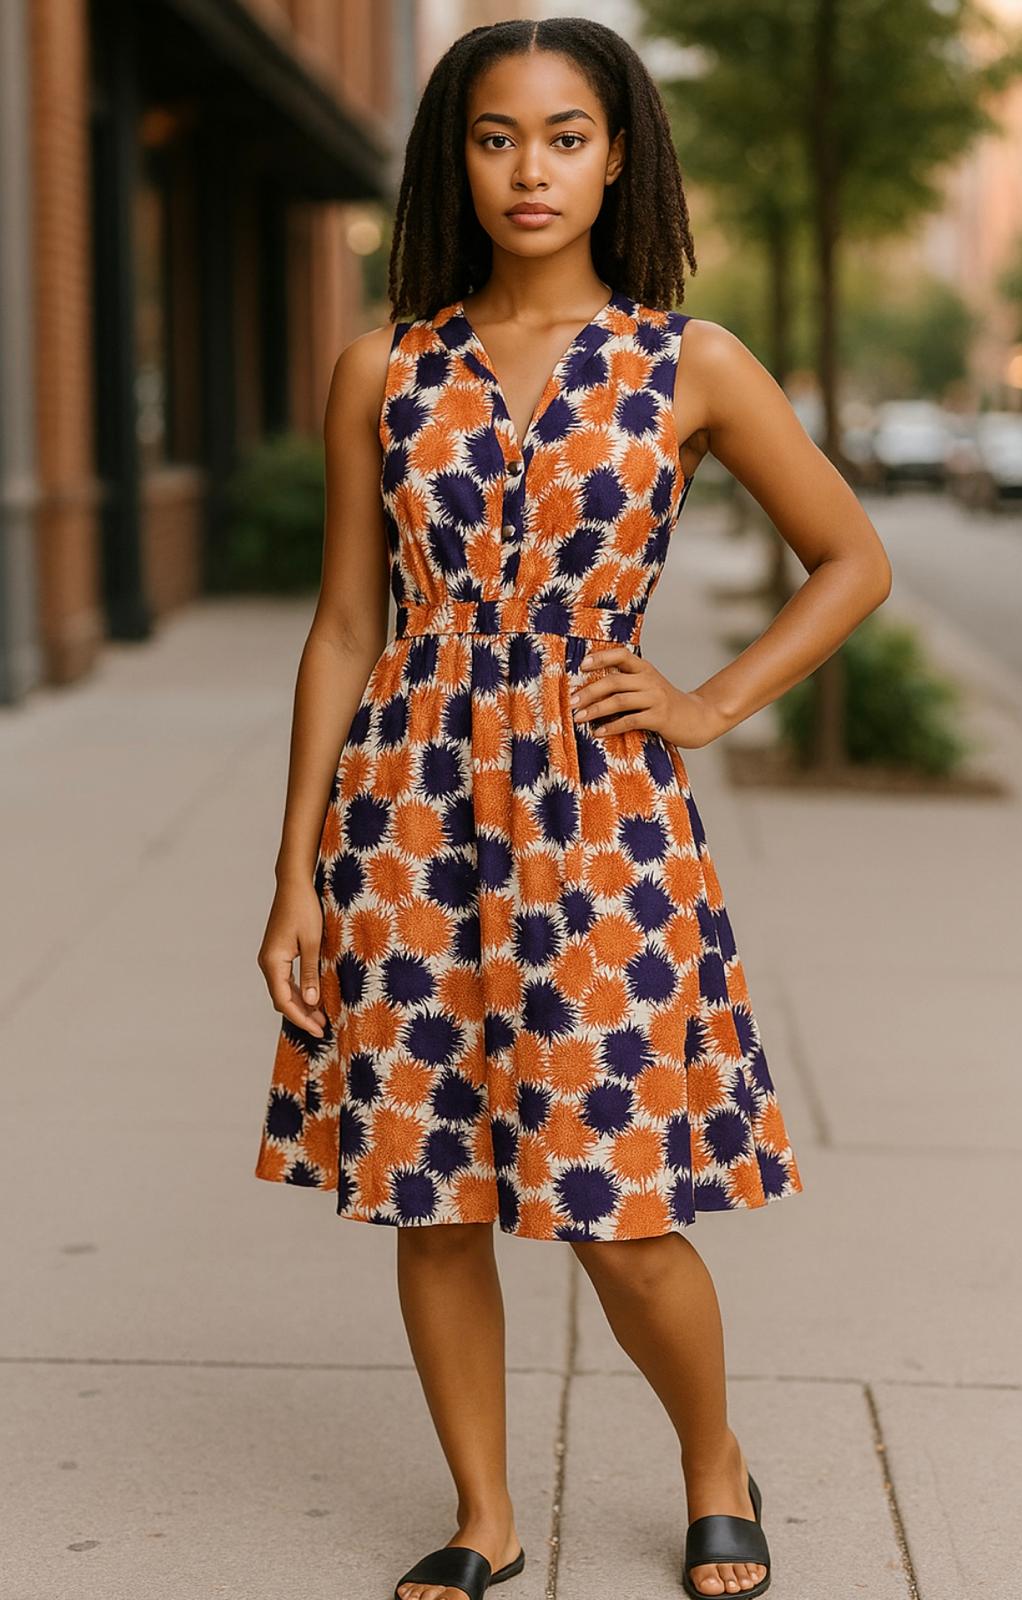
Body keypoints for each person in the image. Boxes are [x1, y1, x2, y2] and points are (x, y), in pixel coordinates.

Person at [253, 17, 892, 1600]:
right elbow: (345, 626)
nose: (528, 170)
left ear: (619, 157)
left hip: (602, 825)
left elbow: (853, 559)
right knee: (432, 1189)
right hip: (406, 817)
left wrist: (709, 704)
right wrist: (295, 878)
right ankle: (485, 1515)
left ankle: (711, 1459)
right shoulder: (382, 367)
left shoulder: (692, 363)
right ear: (451, 160)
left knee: (618, 1211)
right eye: (493, 137)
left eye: (563, 136)